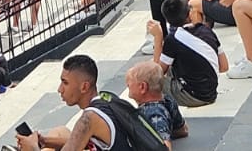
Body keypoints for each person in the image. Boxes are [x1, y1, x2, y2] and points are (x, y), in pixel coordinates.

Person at [14, 54, 160, 151]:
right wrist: (44, 141)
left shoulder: (88, 119)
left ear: (84, 86)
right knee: (60, 131)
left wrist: (33, 148)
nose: (59, 89)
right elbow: (76, 141)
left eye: (65, 83)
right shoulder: (108, 99)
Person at [150, 0, 226, 109]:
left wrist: (158, 37)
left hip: (192, 96)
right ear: (190, 13)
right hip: (211, 93)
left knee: (147, 79)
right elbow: (224, 66)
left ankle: (155, 113)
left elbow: (157, 74)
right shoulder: (206, 30)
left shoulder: (173, 39)